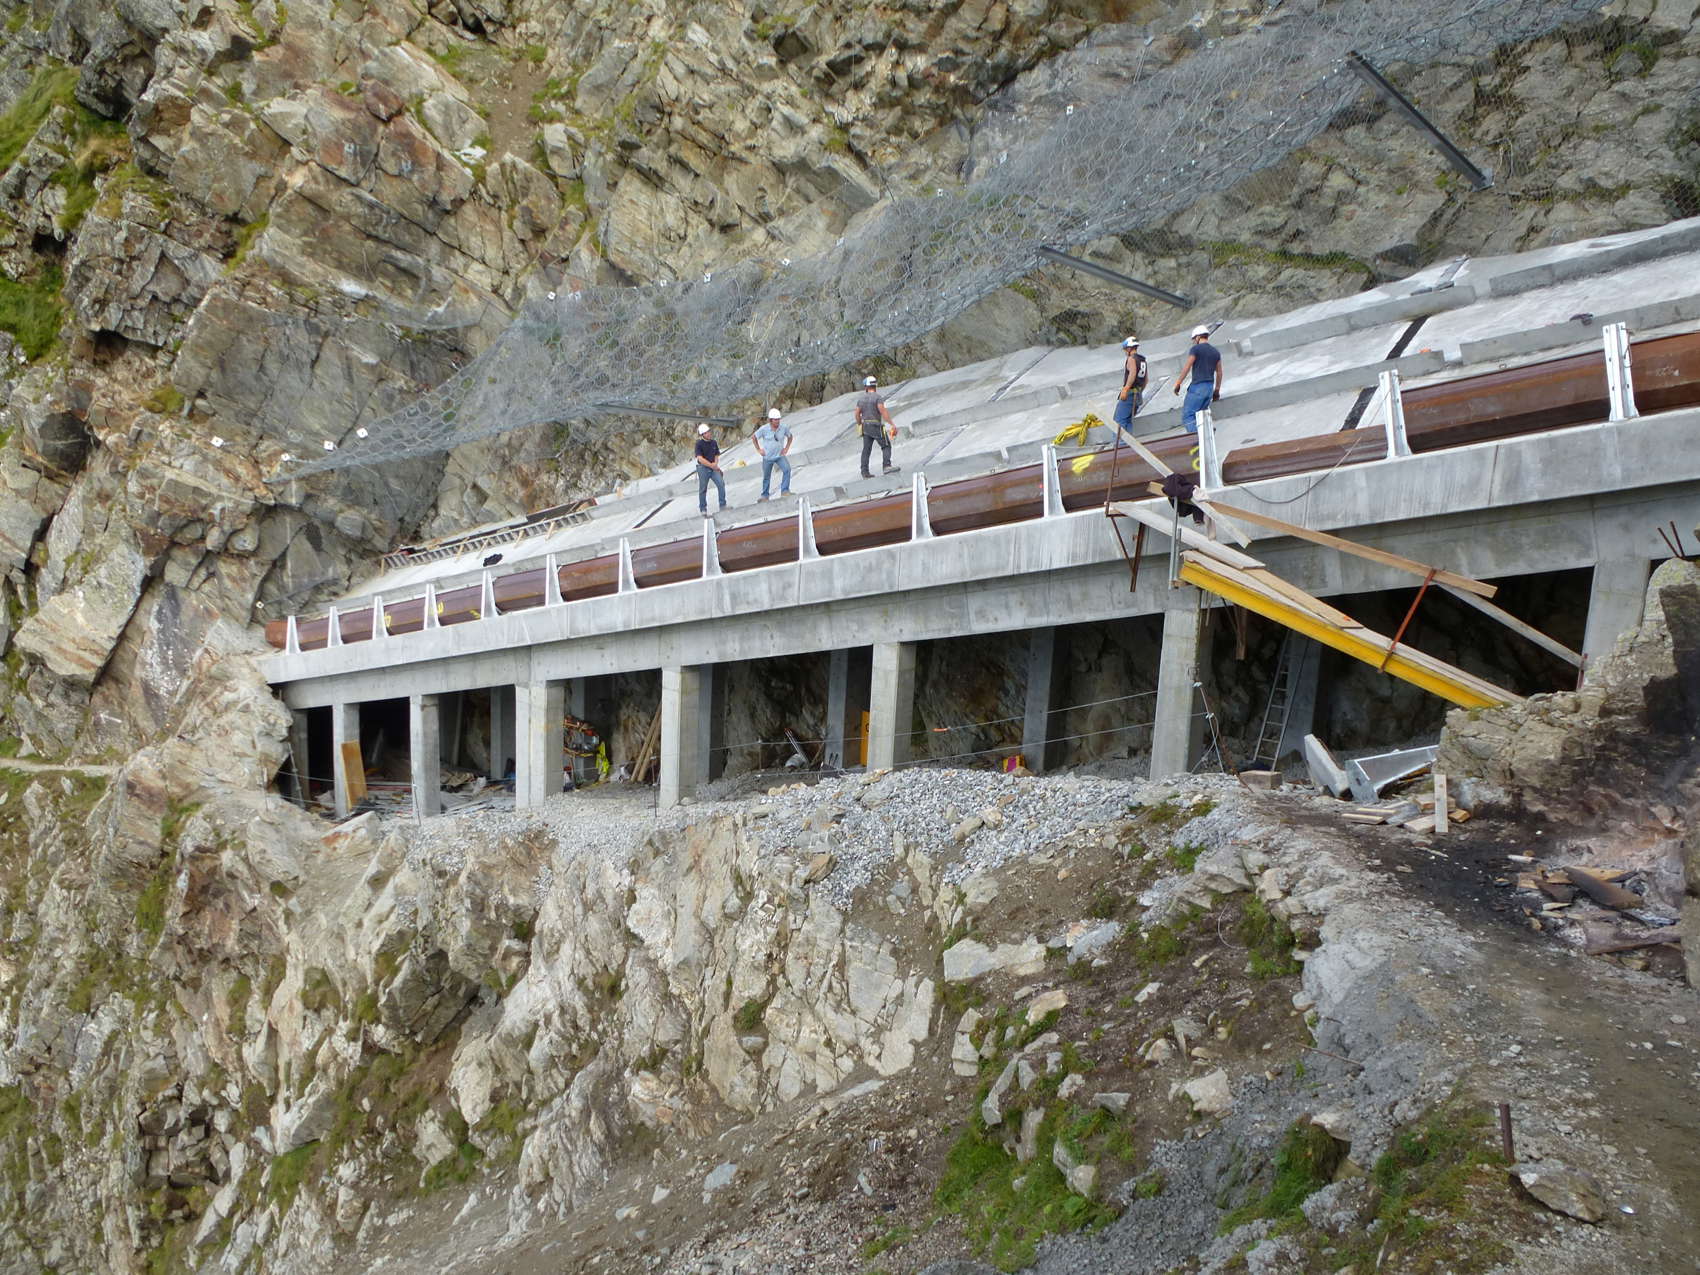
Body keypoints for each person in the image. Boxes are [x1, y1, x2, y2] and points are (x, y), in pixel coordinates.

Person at [1171, 324, 1223, 434]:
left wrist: (1178, 383)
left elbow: (1187, 367)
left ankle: (1196, 439)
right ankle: (1208, 433)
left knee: (1188, 416)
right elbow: (1219, 372)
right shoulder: (1215, 352)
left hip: (1197, 387)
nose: (1194, 341)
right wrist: (1217, 390)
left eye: (1194, 339)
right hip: (1209, 388)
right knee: (1202, 415)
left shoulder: (1195, 349)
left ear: (1198, 337)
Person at [853, 375, 900, 479]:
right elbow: (883, 411)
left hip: (866, 426)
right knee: (886, 445)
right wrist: (892, 424)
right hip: (876, 425)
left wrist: (859, 423)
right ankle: (887, 466)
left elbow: (857, 413)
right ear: (875, 386)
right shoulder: (877, 397)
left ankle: (865, 472)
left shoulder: (861, 399)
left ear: (866, 386)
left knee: (866, 450)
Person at [752, 407, 793, 501]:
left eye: (778, 419)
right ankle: (765, 496)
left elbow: (790, 437)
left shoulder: (783, 428)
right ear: (770, 420)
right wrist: (759, 450)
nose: (777, 421)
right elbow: (754, 438)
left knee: (787, 469)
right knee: (766, 477)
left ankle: (785, 491)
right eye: (775, 420)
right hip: (767, 458)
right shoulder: (764, 429)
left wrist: (786, 448)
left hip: (779, 456)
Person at [1112, 336, 1148, 439]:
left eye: (1125, 349)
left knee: (1119, 421)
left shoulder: (1131, 359)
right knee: (1128, 420)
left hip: (1130, 394)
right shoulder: (1142, 360)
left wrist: (1126, 389)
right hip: (1138, 394)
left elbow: (1132, 374)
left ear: (1129, 348)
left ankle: (1121, 445)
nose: (1125, 351)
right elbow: (1146, 380)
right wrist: (1139, 391)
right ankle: (1129, 443)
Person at [694, 422, 727, 515]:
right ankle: (703, 508)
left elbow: (716, 454)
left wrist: (715, 464)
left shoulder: (713, 443)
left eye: (708, 432)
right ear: (702, 435)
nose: (708, 434)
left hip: (713, 467)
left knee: (721, 484)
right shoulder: (699, 444)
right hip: (703, 468)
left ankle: (722, 505)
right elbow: (700, 458)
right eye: (706, 433)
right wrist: (711, 465)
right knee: (703, 489)